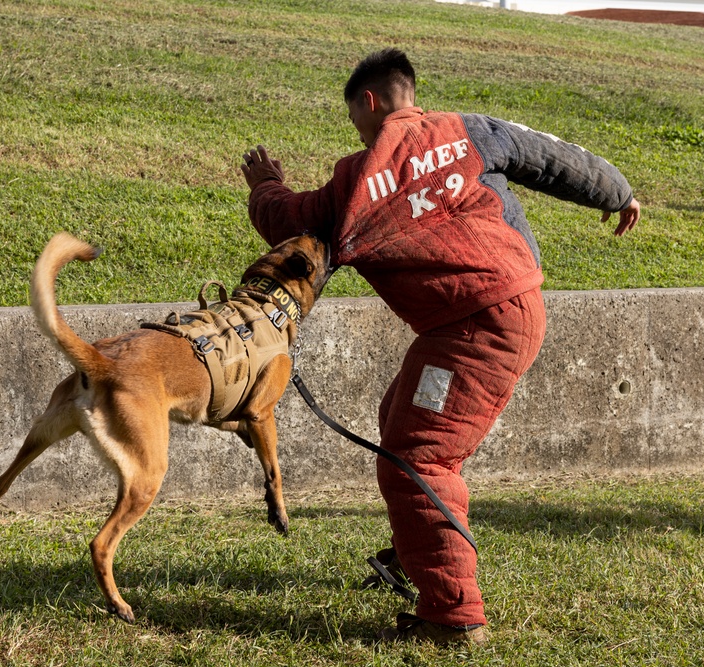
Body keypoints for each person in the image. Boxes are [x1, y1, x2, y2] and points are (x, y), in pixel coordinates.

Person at [240, 48, 640, 645]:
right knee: (399, 419)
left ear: (369, 102)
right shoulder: (469, 131)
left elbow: (287, 220)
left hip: (475, 329)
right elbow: (553, 157)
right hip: (508, 307)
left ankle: (452, 617)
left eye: (355, 117)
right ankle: (420, 544)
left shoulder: (356, 179)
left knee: (417, 456)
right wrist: (618, 192)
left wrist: (265, 183)